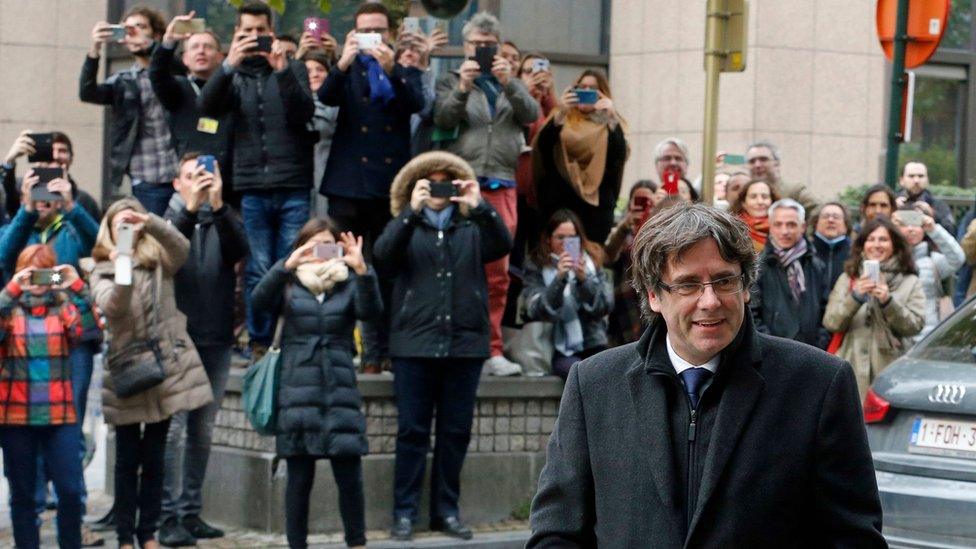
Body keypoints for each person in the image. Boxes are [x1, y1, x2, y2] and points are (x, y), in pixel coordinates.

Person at [528, 203, 885, 546]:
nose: (710, 300)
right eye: (687, 285)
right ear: (653, 294)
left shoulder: (818, 384)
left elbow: (853, 536)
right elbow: (558, 531)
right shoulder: (594, 386)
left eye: (724, 281)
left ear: (746, 287)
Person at [373, 151, 512, 542]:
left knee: (455, 433)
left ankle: (446, 511)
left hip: (464, 346)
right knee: (412, 433)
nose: (438, 190)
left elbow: (502, 244)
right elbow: (383, 256)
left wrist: (480, 206)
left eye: (444, 182)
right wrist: (410, 212)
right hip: (413, 347)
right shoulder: (407, 227)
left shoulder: (471, 229)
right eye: (429, 182)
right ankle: (404, 513)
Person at [90, 199, 213, 549]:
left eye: (131, 224)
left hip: (164, 369)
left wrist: (152, 222)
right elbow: (114, 307)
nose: (127, 230)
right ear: (109, 231)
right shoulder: (99, 267)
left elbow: (182, 247)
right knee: (128, 460)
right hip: (127, 371)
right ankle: (126, 536)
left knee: (157, 458)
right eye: (120, 225)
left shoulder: (160, 259)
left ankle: (149, 534)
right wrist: (123, 261)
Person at [251, 219, 380, 549]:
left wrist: (363, 270)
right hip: (297, 389)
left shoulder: (348, 281)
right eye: (313, 245)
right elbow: (258, 304)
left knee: (349, 476)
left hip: (339, 388)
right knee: (299, 479)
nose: (322, 254)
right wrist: (286, 266)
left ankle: (357, 543)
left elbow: (371, 312)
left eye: (328, 245)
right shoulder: (290, 282)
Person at [199, 1, 316, 358]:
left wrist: (281, 70)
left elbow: (304, 113)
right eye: (245, 31)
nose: (254, 38)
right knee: (257, 268)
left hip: (293, 183)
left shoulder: (291, 67)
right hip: (251, 187)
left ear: (271, 32)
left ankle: (291, 338)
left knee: (291, 265)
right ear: (236, 35)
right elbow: (208, 106)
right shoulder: (233, 75)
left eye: (260, 31)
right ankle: (260, 340)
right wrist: (228, 63)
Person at [433, 11, 539, 377]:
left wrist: (510, 81)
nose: (481, 51)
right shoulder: (450, 80)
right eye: (475, 44)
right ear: (465, 46)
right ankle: (455, 344)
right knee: (456, 265)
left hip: (503, 184)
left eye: (487, 45)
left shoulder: (509, 80)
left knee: (498, 273)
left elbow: (530, 113)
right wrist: (463, 88)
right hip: (464, 183)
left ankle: (491, 349)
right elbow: (443, 119)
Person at [158, 156, 249, 546]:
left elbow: (241, 250)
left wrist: (217, 203)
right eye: (192, 176)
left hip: (216, 338)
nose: (201, 181)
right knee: (174, 430)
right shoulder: (164, 222)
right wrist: (191, 209)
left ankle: (191, 511)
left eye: (207, 175)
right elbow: (166, 258)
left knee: (203, 431)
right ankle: (166, 516)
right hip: (177, 339)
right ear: (177, 183)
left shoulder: (224, 219)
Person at [0, 245, 92, 549]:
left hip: (60, 414)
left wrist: (75, 283)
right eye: (32, 271)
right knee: (23, 494)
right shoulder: (8, 308)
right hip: (16, 416)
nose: (38, 281)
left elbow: (95, 326)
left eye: (45, 272)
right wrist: (12, 289)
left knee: (70, 490)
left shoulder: (63, 305)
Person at [79, 6, 180, 216]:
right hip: (145, 175)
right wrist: (95, 48)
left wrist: (153, 47)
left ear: (157, 34)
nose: (135, 33)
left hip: (181, 171)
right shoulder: (123, 80)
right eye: (129, 30)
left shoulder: (173, 68)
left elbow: (178, 69)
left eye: (141, 27)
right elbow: (87, 93)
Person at [822, 217, 926, 399]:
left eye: (883, 240)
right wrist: (855, 297)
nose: (876, 245)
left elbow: (915, 325)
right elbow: (831, 322)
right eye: (871, 239)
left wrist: (888, 301)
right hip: (849, 366)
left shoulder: (910, 281)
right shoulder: (848, 278)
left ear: (894, 245)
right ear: (862, 245)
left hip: (889, 369)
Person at [533, 69, 628, 244]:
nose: (585, 92)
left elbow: (618, 158)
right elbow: (542, 149)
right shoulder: (561, 117)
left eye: (592, 88)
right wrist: (562, 111)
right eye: (581, 87)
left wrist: (611, 116)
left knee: (588, 264)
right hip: (559, 203)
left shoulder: (610, 124)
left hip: (595, 209)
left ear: (602, 93)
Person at [149, 13, 235, 206]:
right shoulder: (178, 89)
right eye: (195, 47)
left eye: (208, 47)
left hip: (228, 184)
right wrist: (168, 42)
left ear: (221, 57)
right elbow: (157, 75)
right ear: (185, 59)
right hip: (190, 180)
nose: (201, 51)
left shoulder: (234, 88)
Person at [522, 210, 612, 379]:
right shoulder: (537, 265)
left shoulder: (591, 260)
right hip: (557, 346)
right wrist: (559, 280)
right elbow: (536, 309)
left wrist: (583, 280)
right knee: (579, 374)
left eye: (571, 238)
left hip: (593, 342)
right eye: (560, 237)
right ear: (549, 239)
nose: (565, 243)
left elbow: (605, 305)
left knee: (605, 374)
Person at [750, 199, 829, 349]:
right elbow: (752, 315)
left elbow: (825, 312)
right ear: (770, 227)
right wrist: (772, 348)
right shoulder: (757, 266)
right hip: (773, 354)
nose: (784, 231)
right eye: (778, 224)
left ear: (803, 227)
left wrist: (820, 344)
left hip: (813, 353)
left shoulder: (816, 264)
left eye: (791, 225)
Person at [892, 206, 964, 340]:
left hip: (927, 335)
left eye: (916, 224)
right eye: (905, 225)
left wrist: (933, 229)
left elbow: (958, 259)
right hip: (896, 337)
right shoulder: (888, 260)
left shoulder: (933, 261)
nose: (911, 229)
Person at [2, 131, 102, 223]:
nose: (55, 156)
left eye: (62, 151)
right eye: (50, 151)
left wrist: (71, 206)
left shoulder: (85, 200)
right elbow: (7, 194)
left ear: (71, 159)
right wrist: (9, 161)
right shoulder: (20, 189)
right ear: (38, 158)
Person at [604, 181, 655, 346]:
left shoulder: (659, 231)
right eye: (638, 200)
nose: (642, 205)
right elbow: (607, 256)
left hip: (650, 298)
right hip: (624, 301)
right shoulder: (621, 231)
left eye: (648, 201)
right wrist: (625, 225)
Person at [301, 50, 339, 218]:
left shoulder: (341, 103)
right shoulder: (291, 105)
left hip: (330, 176)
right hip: (301, 179)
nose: (314, 74)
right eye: (308, 71)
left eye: (320, 69)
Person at [746, 140, 819, 217]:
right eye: (752, 161)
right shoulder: (742, 193)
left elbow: (818, 212)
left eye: (763, 159)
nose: (757, 165)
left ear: (776, 163)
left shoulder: (794, 191)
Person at [898, 161, 956, 234]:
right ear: (901, 180)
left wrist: (933, 215)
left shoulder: (938, 205)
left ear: (927, 180)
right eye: (911, 176)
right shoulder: (891, 202)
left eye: (921, 176)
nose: (916, 180)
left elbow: (952, 232)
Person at [812, 201, 852, 291]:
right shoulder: (805, 252)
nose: (830, 220)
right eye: (825, 216)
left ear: (846, 225)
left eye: (836, 217)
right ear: (816, 223)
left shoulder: (854, 254)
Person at [732, 179, 779, 253]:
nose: (760, 201)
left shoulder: (785, 227)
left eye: (764, 197)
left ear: (772, 201)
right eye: (753, 197)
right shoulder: (732, 230)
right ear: (743, 203)